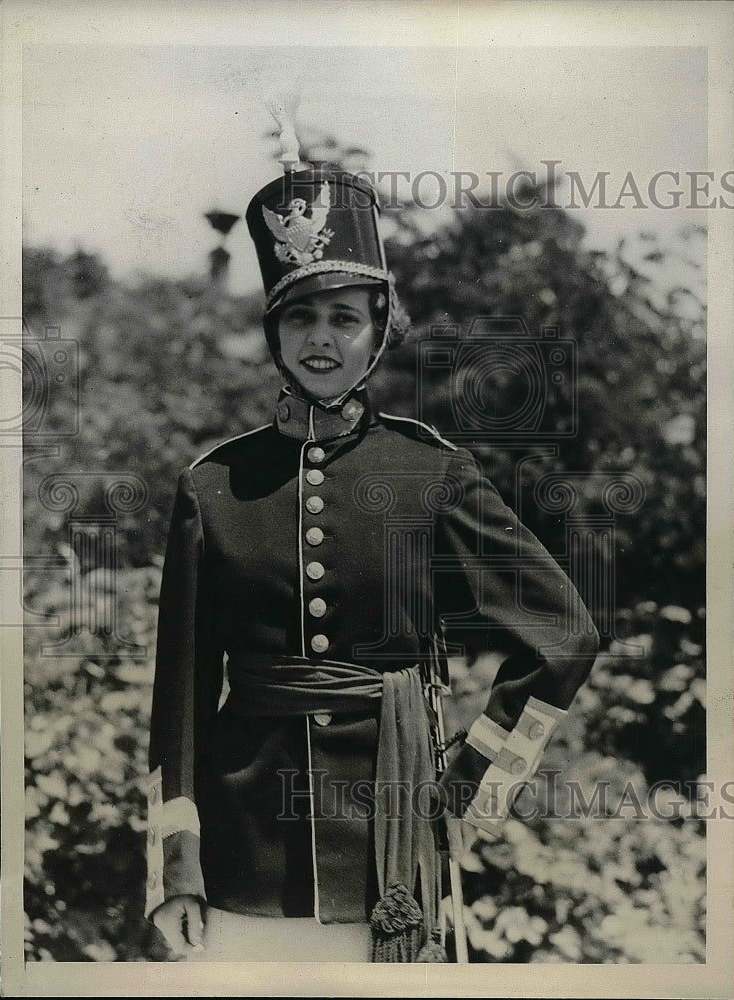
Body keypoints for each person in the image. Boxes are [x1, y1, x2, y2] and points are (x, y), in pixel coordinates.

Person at [144, 140, 600, 963]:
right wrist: (176, 869)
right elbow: (177, 700)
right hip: (240, 857)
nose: (322, 339)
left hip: (391, 845)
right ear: (274, 331)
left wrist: (462, 789)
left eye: (345, 317)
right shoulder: (211, 486)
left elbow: (564, 633)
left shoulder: (432, 473)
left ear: (377, 332)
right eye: (300, 316)